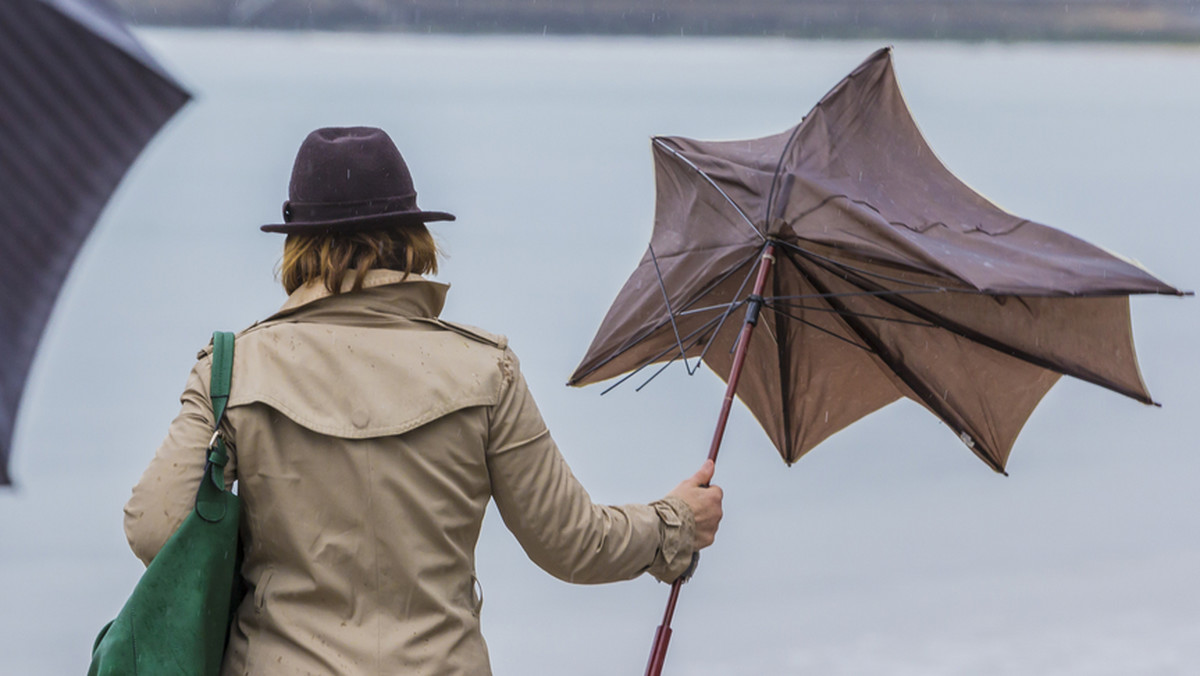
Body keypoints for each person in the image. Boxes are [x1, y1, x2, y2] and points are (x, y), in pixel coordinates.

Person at [123, 126, 724, 675]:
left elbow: (154, 529)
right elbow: (571, 544)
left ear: (297, 247)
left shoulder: (232, 370)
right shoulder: (487, 370)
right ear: (413, 238)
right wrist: (673, 525)